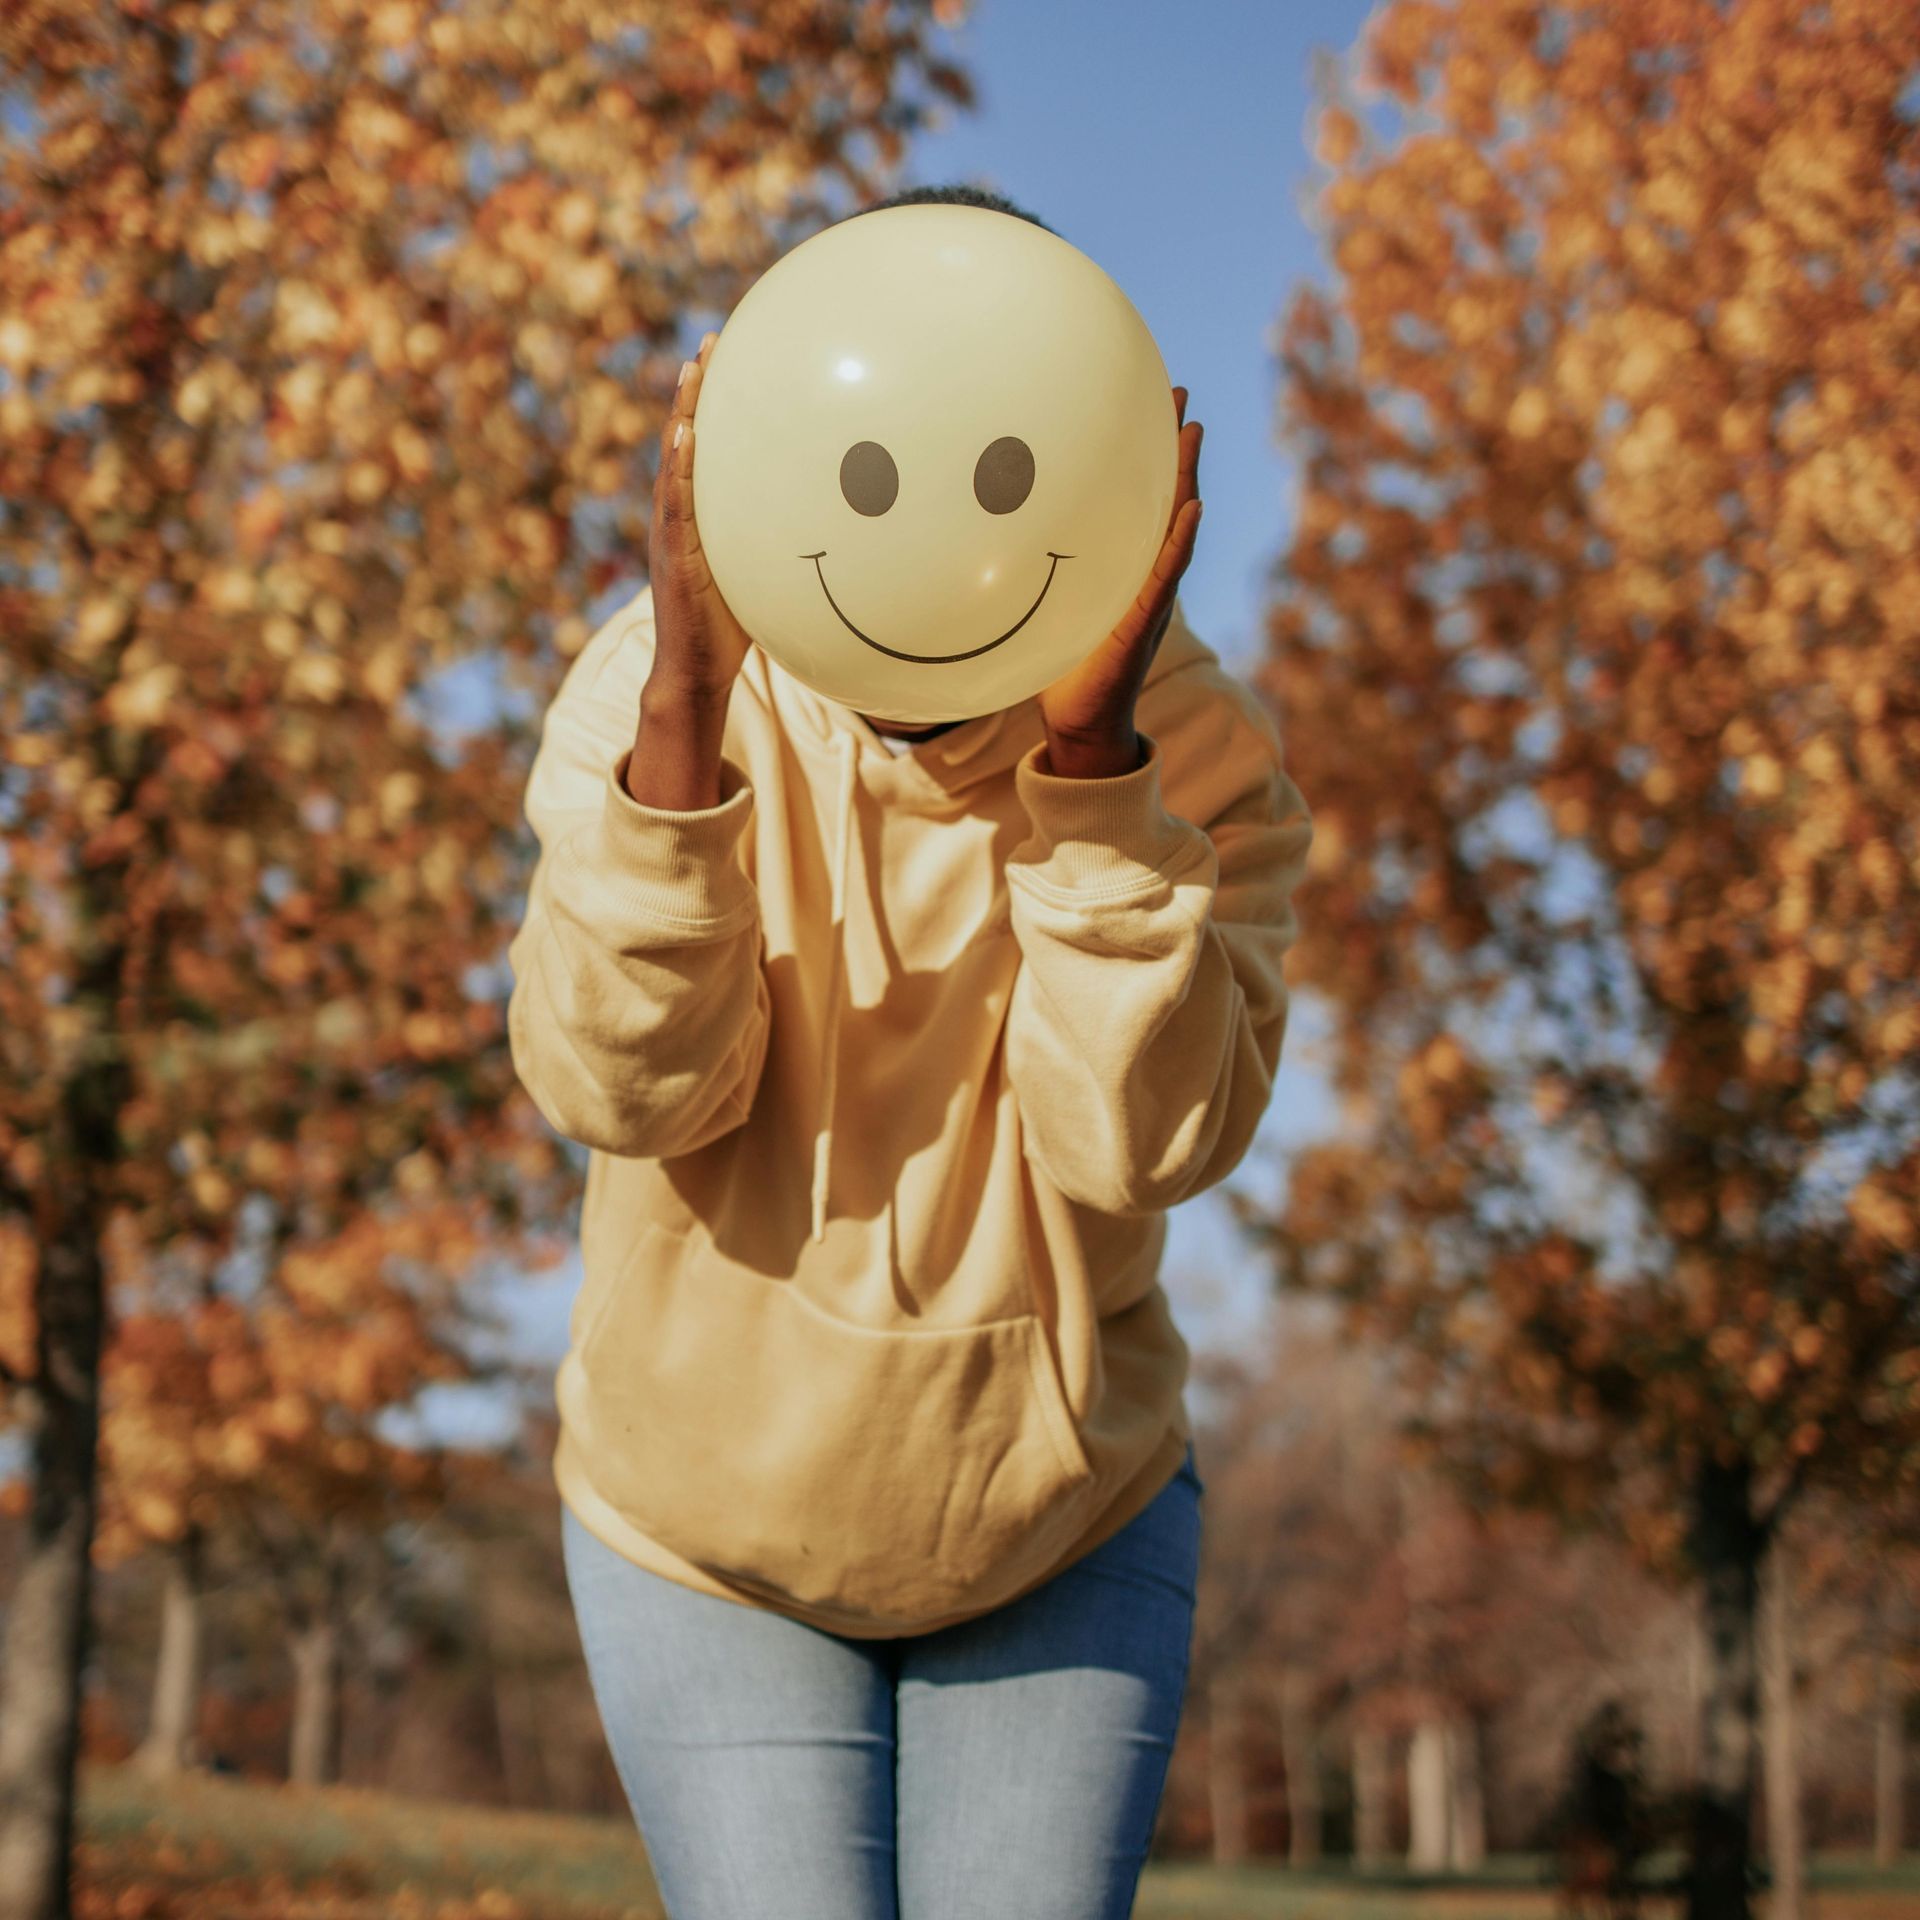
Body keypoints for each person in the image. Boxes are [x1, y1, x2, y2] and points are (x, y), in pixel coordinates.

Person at [506, 182, 1314, 1919]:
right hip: (701, 1535)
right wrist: (680, 743)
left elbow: (1145, 1143)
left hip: (1059, 1524)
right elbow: (620, 1090)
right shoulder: (648, 697)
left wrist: (1094, 778)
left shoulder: (1204, 754)